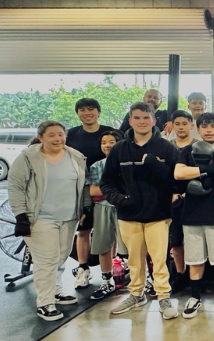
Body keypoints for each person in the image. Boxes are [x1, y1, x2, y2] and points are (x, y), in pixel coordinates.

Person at [101, 102, 180, 320]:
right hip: (128, 215)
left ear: (154, 121)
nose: (142, 122)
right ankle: (136, 294)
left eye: (146, 118)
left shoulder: (166, 148)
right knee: (134, 260)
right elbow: (107, 183)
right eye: (137, 118)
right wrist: (120, 200)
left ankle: (163, 297)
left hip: (159, 214)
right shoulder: (119, 149)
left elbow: (176, 180)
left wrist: (156, 165)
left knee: (159, 259)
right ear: (130, 121)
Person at [8, 121, 92, 321]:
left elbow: (84, 184)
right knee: (46, 261)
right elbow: (16, 186)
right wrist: (21, 216)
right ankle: (45, 303)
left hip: (69, 217)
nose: (57, 139)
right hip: (40, 218)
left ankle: (55, 291)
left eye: (60, 134)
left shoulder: (76, 156)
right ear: (41, 137)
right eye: (51, 135)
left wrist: (86, 208)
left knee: (61, 256)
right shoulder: (28, 158)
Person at [174, 112, 214, 318]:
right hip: (192, 213)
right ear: (198, 129)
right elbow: (179, 173)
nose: (209, 130)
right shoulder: (188, 150)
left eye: (213, 126)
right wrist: (208, 169)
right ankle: (195, 297)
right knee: (195, 259)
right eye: (204, 126)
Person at [66, 98, 114, 290]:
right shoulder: (71, 135)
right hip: (82, 188)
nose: (87, 113)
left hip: (108, 188)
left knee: (110, 232)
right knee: (83, 229)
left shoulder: (109, 132)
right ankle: (83, 268)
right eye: (82, 110)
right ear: (78, 113)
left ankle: (111, 271)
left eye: (91, 109)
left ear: (99, 112)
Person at [87, 130, 128, 301]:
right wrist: (117, 191)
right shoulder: (96, 166)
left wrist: (107, 190)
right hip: (102, 209)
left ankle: (141, 280)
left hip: (126, 208)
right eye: (104, 142)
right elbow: (93, 191)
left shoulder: (128, 162)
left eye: (111, 141)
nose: (107, 145)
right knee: (103, 245)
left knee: (132, 246)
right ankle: (106, 281)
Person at [167, 110, 199, 292]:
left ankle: (198, 276)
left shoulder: (198, 146)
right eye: (177, 124)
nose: (181, 127)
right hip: (172, 200)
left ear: (191, 125)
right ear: (172, 126)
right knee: (176, 240)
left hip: (195, 199)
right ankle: (180, 274)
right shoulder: (167, 147)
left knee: (194, 239)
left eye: (184, 123)